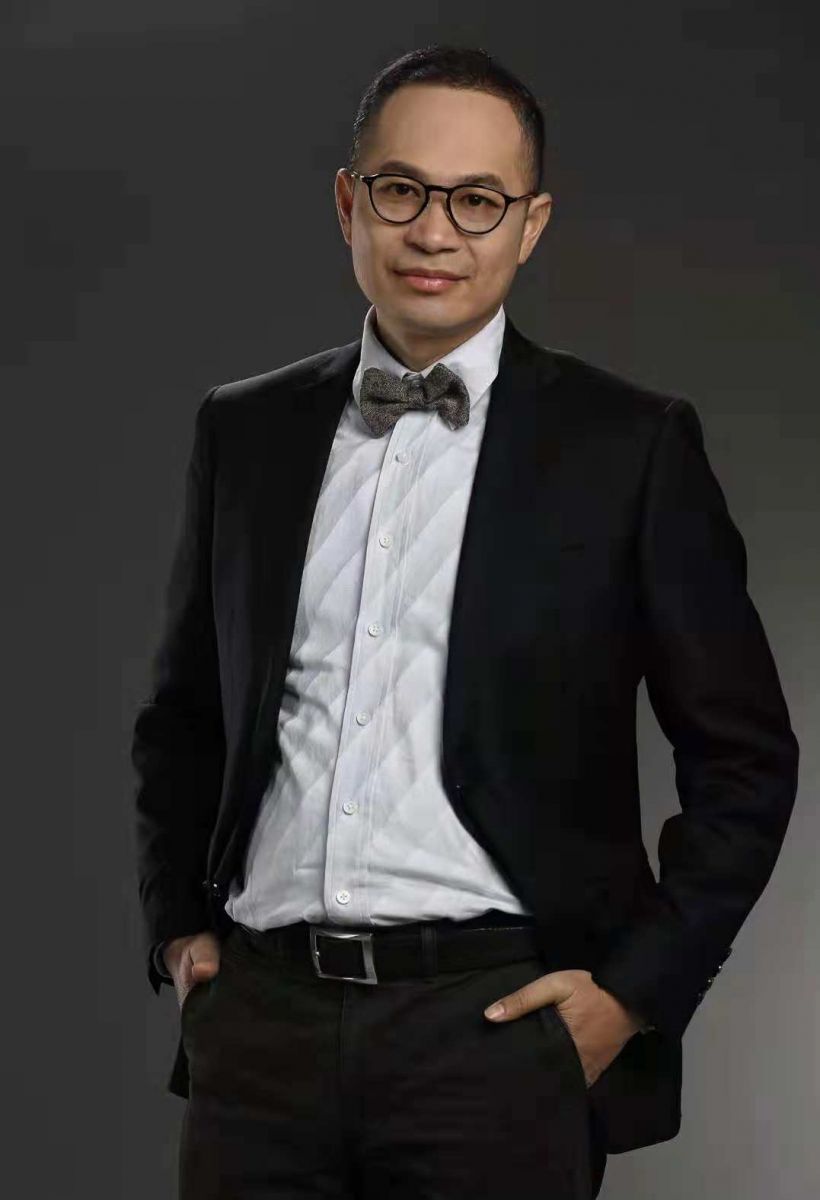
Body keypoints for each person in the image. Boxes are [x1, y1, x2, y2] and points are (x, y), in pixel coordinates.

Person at [131, 44, 800, 1200]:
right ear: (349, 202)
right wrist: (177, 929)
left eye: (477, 200)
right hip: (259, 1034)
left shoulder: (629, 448)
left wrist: (632, 994)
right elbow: (183, 715)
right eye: (402, 189)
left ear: (530, 225)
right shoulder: (243, 431)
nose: (434, 231)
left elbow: (745, 762)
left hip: (496, 1032)